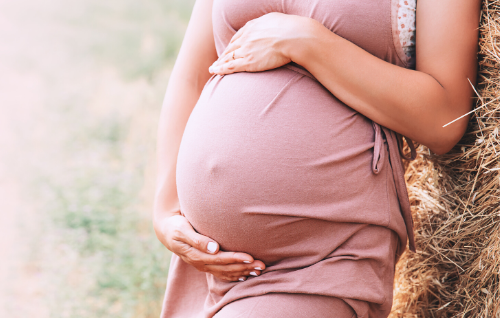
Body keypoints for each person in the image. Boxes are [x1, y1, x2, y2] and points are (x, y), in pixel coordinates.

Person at [153, 0, 481, 317]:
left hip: (318, 257)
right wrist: (166, 211)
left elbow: (444, 118)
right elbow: (191, 76)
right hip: (208, 262)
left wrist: (308, 42)